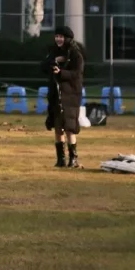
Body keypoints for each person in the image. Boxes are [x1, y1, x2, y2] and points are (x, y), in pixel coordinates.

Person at [44, 24, 85, 169]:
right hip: (56, 94)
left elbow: (77, 74)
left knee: (69, 128)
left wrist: (61, 72)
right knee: (57, 127)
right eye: (56, 36)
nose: (58, 39)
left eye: (61, 36)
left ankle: (73, 159)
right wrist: (53, 63)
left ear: (67, 38)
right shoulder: (53, 52)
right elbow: (43, 65)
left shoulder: (76, 54)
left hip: (70, 95)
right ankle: (60, 159)